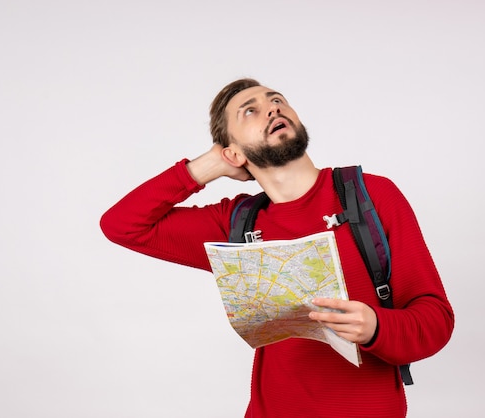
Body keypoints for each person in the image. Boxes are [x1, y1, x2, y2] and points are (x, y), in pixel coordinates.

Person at [100, 78, 454, 417]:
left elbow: (436, 320)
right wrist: (207, 165)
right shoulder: (236, 223)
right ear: (233, 152)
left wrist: (376, 326)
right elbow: (122, 226)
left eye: (277, 100)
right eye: (249, 111)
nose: (272, 108)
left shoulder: (372, 196)